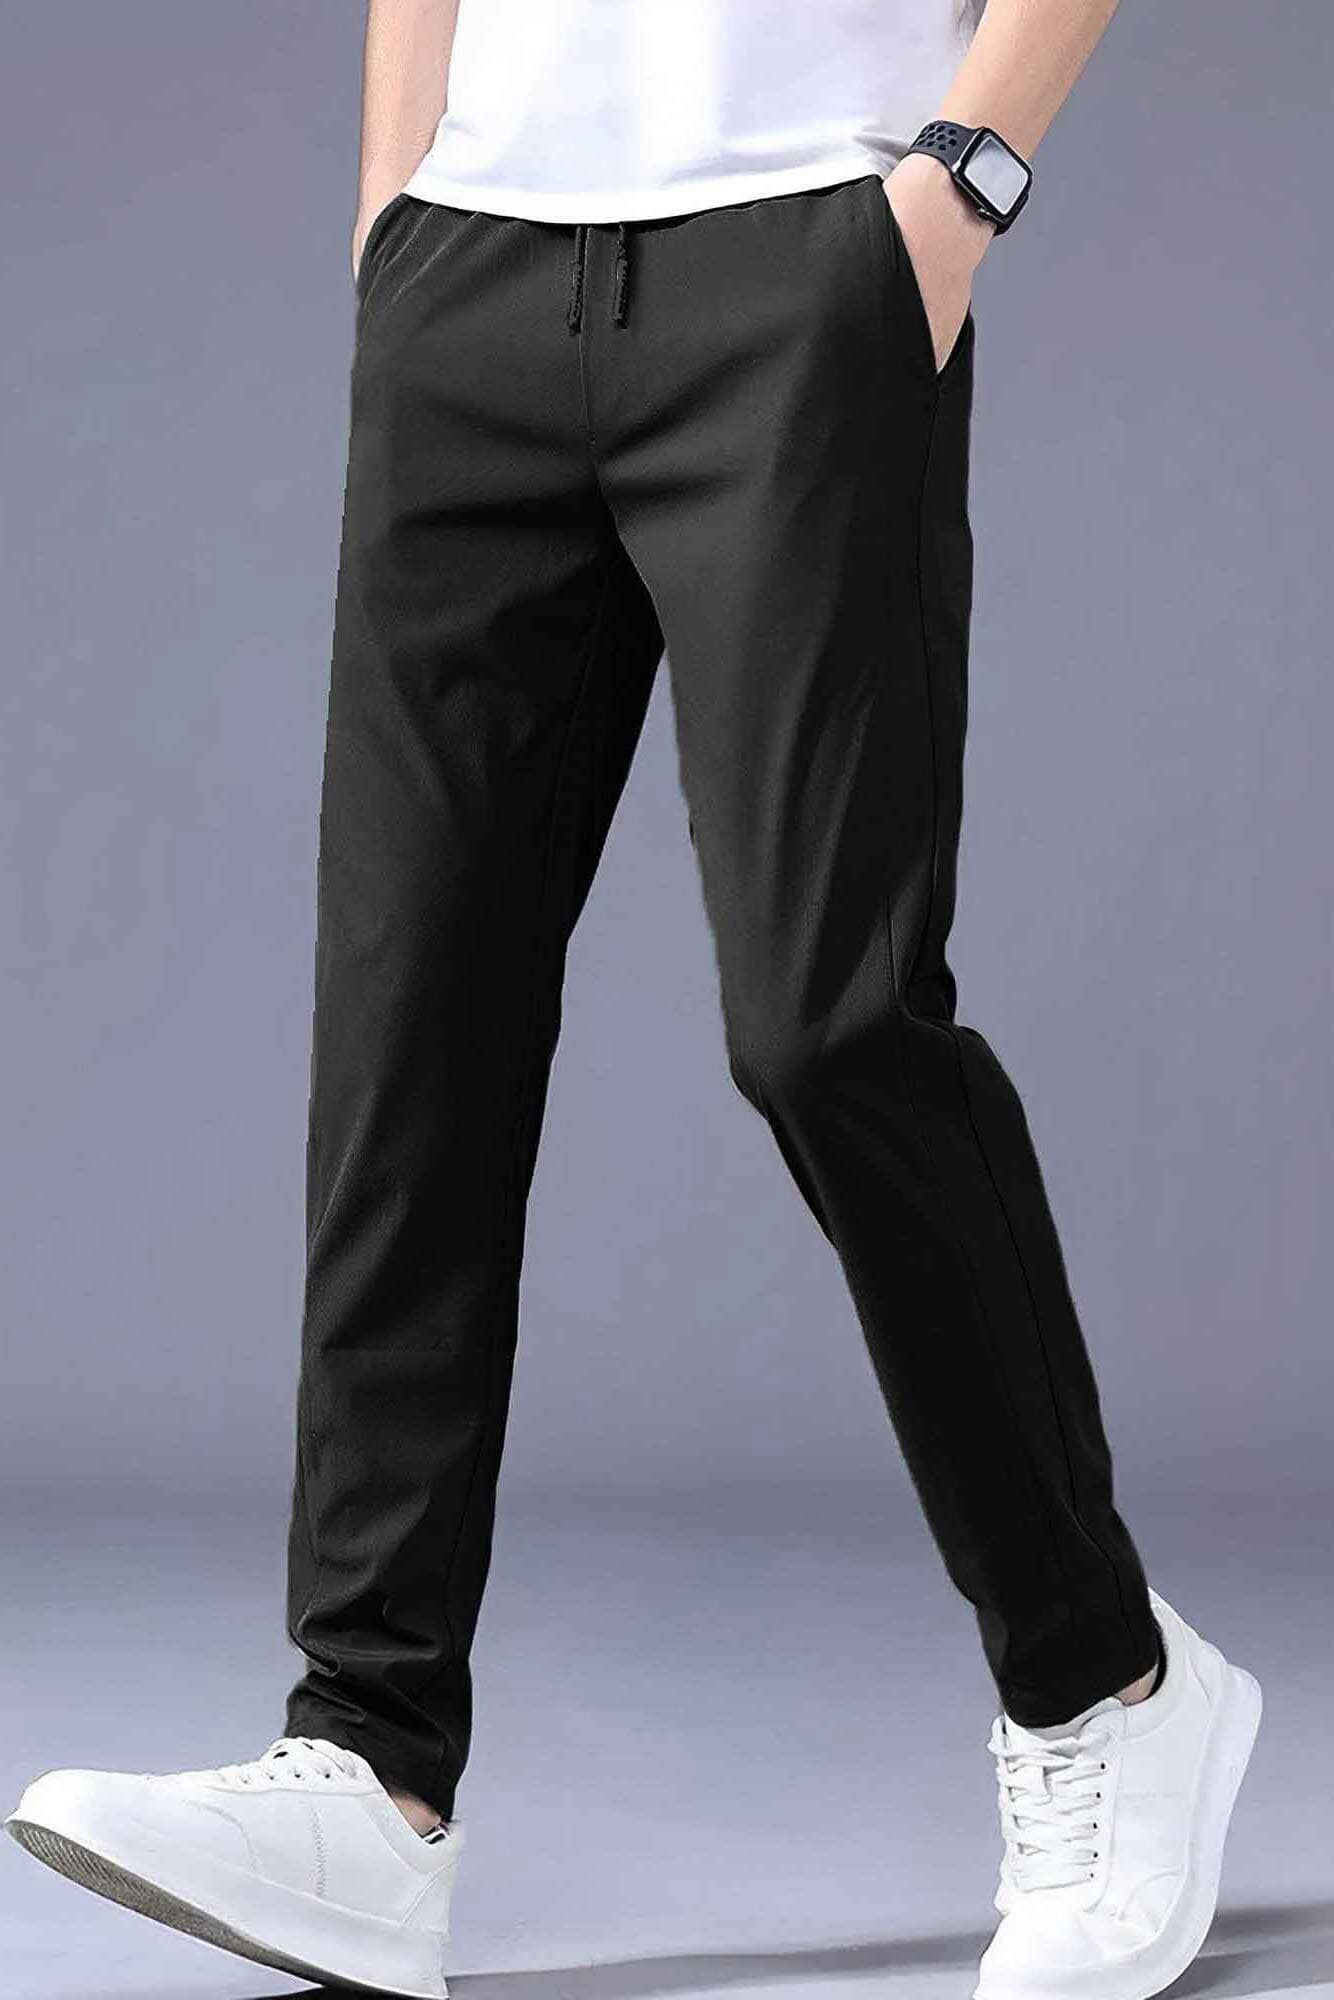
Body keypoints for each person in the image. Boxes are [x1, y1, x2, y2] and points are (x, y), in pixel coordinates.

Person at [6, 2, 1262, 1996]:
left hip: (811, 254)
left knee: (827, 1022)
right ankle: (367, 1763)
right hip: (471, 271)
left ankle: (1103, 1681)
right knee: (407, 1025)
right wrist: (395, 204)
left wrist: (958, 185)